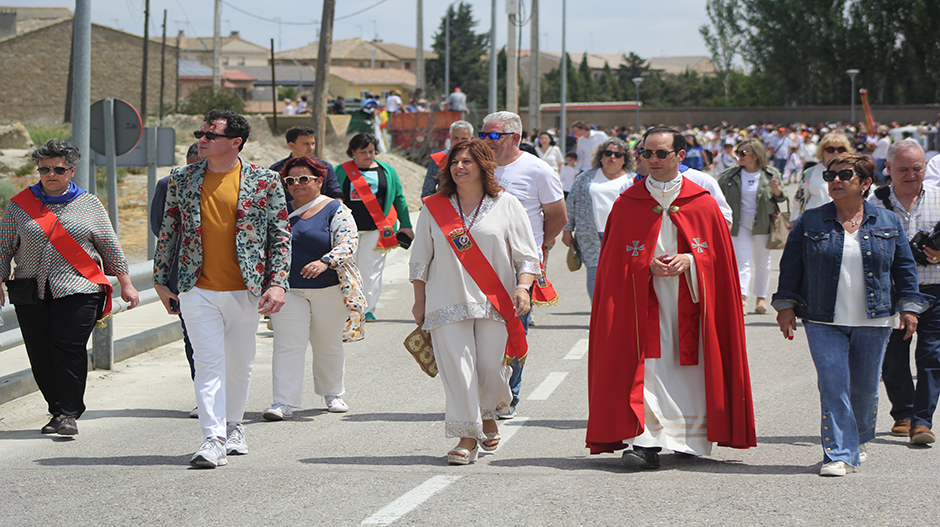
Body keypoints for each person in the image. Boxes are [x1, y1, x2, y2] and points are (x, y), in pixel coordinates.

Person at [586, 127, 756, 469]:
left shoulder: (702, 202)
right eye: (646, 154)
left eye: (660, 154)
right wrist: (644, 265)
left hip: (692, 300)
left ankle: (690, 438)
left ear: (680, 155)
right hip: (642, 302)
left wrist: (691, 260)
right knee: (646, 368)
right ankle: (646, 442)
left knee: (687, 366)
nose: (652, 160)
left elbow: (719, 259)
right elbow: (613, 262)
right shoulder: (627, 203)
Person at [773, 152, 928, 476]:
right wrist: (785, 305)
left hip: (875, 319)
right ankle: (839, 453)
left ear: (866, 183)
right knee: (833, 383)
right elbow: (791, 267)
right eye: (831, 177)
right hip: (822, 319)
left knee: (865, 388)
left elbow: (904, 269)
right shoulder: (810, 221)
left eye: (845, 176)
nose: (836, 182)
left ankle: (856, 439)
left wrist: (910, 308)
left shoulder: (887, 221)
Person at [153, 109, 292, 468]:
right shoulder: (181, 179)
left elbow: (280, 236)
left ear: (235, 142)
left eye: (210, 135)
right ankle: (212, 438)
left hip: (246, 289)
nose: (201, 139)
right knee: (207, 362)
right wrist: (159, 279)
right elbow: (168, 232)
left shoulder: (265, 181)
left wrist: (277, 283)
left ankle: (234, 425)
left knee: (240, 363)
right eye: (201, 133)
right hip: (195, 287)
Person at [410, 139, 540, 464]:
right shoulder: (433, 206)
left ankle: (489, 412)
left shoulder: (506, 204)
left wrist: (523, 287)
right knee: (458, 370)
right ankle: (467, 435)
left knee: (489, 368)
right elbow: (420, 259)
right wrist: (418, 300)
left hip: (493, 301)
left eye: (467, 161)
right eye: (455, 162)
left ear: (484, 166)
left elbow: (527, 255)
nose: (459, 168)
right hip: (445, 301)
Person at [0, 139, 139, 436]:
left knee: (67, 346)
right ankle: (57, 409)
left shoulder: (89, 204)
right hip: (30, 290)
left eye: (59, 169)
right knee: (40, 352)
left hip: (79, 288)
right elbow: (3, 249)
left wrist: (126, 283)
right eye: (45, 169)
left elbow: (109, 246)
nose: (51, 174)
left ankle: (69, 412)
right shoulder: (19, 206)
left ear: (72, 170)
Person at [264, 156, 365, 420]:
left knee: (327, 344)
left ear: (319, 181)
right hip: (288, 290)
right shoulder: (279, 211)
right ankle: (282, 402)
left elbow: (348, 243)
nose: (297, 184)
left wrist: (325, 262)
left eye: (304, 179)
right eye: (291, 180)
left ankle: (332, 393)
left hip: (328, 288)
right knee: (287, 344)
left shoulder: (336, 209)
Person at [481, 111, 566, 419]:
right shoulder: (478, 166)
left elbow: (557, 215)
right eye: (483, 135)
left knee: (515, 329)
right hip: (478, 261)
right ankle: (486, 391)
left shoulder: (537, 169)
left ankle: (510, 393)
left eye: (493, 136)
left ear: (515, 138)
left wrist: (540, 246)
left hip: (520, 266)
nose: (486, 141)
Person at [871, 140, 940, 444]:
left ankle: (922, 422)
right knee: (893, 358)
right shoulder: (872, 204)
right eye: (903, 169)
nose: (911, 174)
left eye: (917, 168)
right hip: (891, 292)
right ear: (888, 169)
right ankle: (904, 412)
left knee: (932, 356)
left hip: (934, 289)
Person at [334, 133, 413, 321]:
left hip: (377, 228)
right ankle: (347, 306)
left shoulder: (388, 171)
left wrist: (406, 224)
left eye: (371, 151)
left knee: (371, 270)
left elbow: (399, 198)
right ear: (353, 152)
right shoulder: (340, 170)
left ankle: (367, 308)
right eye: (363, 152)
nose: (368, 156)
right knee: (345, 267)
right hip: (347, 228)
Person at [150, 143, 202, 418]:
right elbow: (162, 228)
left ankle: (229, 398)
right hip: (182, 278)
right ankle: (204, 396)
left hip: (228, 280)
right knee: (194, 340)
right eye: (193, 165)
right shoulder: (169, 183)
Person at [717, 138, 788, 315]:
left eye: (743, 153)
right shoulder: (729, 175)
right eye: (737, 152)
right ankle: (742, 297)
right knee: (742, 261)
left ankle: (761, 297)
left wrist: (776, 190)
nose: (738, 156)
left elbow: (782, 197)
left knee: (763, 262)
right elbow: (717, 197)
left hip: (763, 223)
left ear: (755, 156)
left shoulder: (771, 174)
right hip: (739, 224)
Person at [562, 137, 636, 300]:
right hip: (590, 234)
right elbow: (571, 203)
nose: (612, 157)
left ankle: (617, 314)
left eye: (618, 154)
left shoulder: (634, 180)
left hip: (623, 236)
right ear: (600, 156)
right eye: (608, 153)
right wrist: (567, 230)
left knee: (621, 273)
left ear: (625, 158)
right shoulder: (585, 178)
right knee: (595, 273)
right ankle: (598, 313)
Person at [269, 126, 343, 200]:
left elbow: (335, 194)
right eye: (306, 144)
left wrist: (339, 209)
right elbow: (271, 197)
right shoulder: (276, 170)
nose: (311, 148)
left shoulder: (325, 167)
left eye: (313, 144)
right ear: (292, 145)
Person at [795, 133, 851, 215]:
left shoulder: (854, 173)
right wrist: (794, 220)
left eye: (841, 149)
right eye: (830, 149)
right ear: (822, 151)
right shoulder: (809, 173)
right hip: (815, 221)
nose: (836, 153)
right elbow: (799, 200)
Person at [421, 121, 474, 199]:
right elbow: (427, 191)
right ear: (449, 137)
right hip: (445, 207)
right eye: (456, 138)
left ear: (471, 138)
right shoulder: (439, 159)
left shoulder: (478, 159)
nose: (459, 142)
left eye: (464, 138)